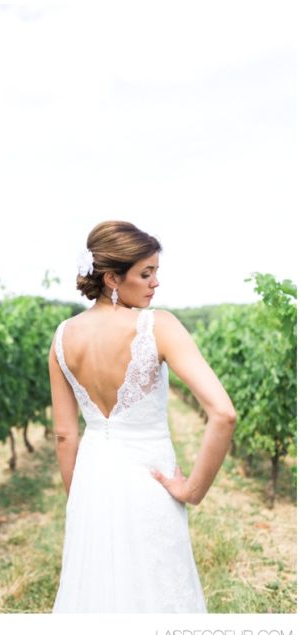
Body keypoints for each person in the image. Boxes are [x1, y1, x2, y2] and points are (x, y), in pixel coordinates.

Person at [48, 220, 235, 613]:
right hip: (152, 481)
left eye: (156, 273)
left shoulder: (63, 336)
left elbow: (65, 436)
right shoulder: (158, 326)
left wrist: (78, 499)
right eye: (146, 273)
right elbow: (223, 413)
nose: (155, 283)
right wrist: (192, 490)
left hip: (91, 482)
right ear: (113, 278)